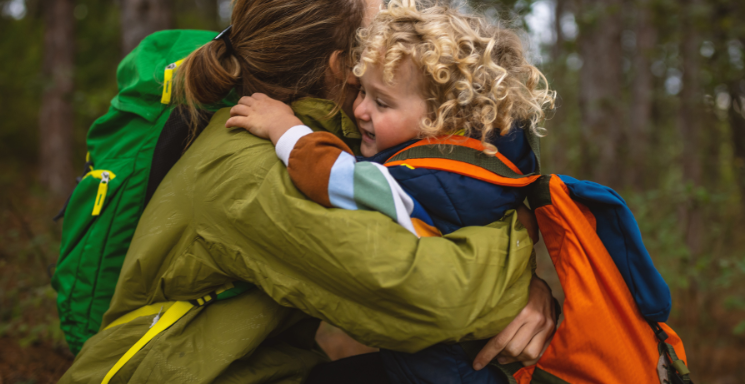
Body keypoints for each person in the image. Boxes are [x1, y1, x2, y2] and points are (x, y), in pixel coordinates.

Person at [57, 0, 556, 383]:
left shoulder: (330, 130)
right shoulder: (249, 173)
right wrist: (518, 269)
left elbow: (442, 203)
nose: (394, 20)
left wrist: (531, 286)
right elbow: (430, 298)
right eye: (378, 20)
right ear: (342, 67)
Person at [225, 2, 555, 383]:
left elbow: (338, 179)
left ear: (441, 117)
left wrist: (285, 129)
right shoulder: (483, 160)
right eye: (362, 90)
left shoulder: (423, 177)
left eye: (381, 102)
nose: (361, 108)